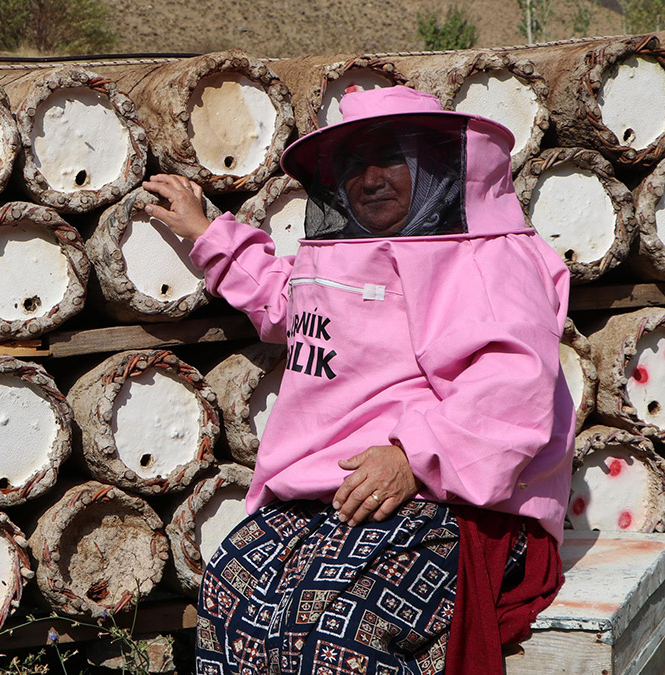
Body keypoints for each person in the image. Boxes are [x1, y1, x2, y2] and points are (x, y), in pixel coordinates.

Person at [141, 86, 575, 675]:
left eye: (390, 159)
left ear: (434, 163)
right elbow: (289, 304)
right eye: (353, 163)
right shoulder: (342, 251)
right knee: (231, 584)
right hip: (331, 486)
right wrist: (207, 232)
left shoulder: (488, 258)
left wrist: (412, 457)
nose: (369, 179)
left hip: (452, 496)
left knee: (334, 629)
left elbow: (512, 385)